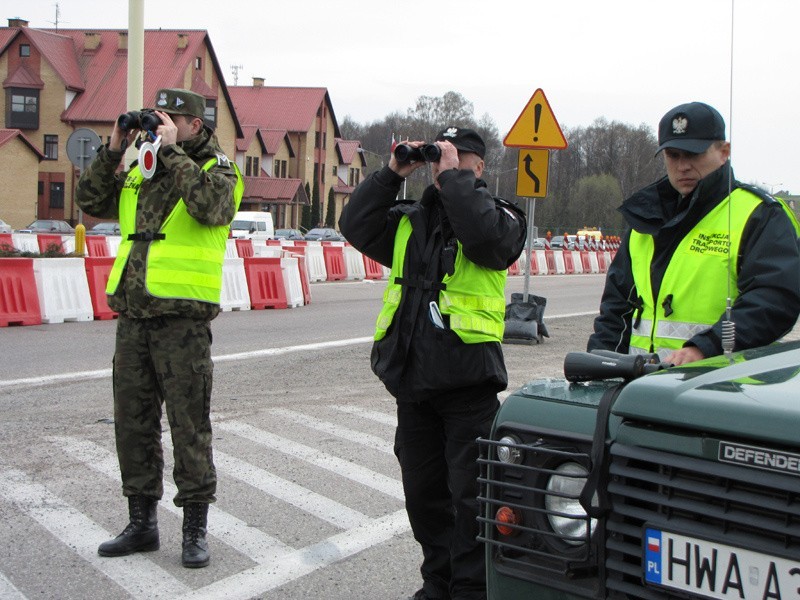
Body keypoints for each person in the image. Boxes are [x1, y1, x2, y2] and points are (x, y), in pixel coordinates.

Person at [339, 127, 526, 600]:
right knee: (424, 497)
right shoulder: (410, 221)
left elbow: (484, 237)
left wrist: (452, 178)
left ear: (479, 168)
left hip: (468, 386)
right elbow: (355, 224)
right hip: (414, 383)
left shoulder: (502, 218)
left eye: (458, 157)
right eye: (438, 156)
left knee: (471, 500)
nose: (444, 163)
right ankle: (436, 583)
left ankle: (470, 589)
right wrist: (392, 172)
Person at [75, 88, 243, 568]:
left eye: (171, 120)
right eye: (157, 119)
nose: (160, 127)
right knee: (133, 424)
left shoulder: (216, 168)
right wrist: (114, 147)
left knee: (189, 427)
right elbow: (90, 201)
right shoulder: (142, 165)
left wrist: (171, 152)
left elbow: (212, 209)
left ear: (194, 124)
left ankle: (194, 529)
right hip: (134, 316)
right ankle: (141, 523)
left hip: (182, 321)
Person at [588, 101, 800, 365]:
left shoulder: (760, 214)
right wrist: (599, 367)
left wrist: (706, 347)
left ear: (724, 152)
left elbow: (774, 300)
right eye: (673, 155)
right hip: (639, 392)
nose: (683, 166)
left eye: (693, 154)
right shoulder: (645, 217)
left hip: (719, 390)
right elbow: (615, 310)